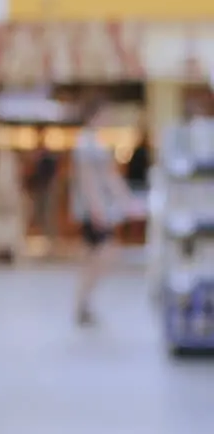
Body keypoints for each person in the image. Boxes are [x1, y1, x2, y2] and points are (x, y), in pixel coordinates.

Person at [70, 96, 132, 326]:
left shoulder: (94, 141)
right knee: (103, 255)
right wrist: (97, 208)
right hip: (94, 211)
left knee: (92, 257)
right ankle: (83, 303)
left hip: (97, 209)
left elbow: (108, 176)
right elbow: (88, 180)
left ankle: (83, 304)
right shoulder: (86, 143)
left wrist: (124, 197)